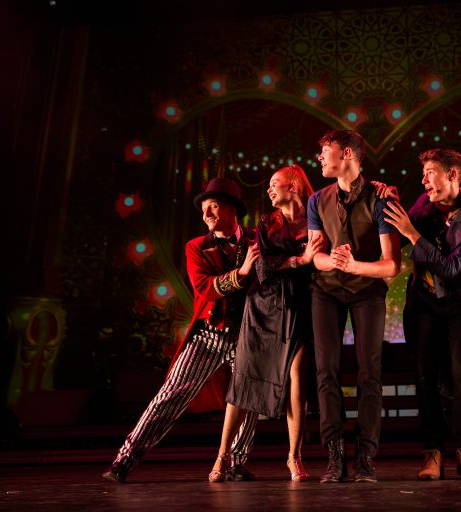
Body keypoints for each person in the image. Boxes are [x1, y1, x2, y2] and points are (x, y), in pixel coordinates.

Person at [102, 177, 260, 484]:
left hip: (247, 334)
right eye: (204, 209)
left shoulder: (257, 241)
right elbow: (205, 288)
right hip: (209, 334)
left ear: (232, 209)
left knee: (249, 398)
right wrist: (241, 273)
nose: (207, 214)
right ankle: (125, 459)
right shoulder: (196, 247)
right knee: (172, 393)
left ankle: (236, 462)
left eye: (214, 206)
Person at [209, 165, 324, 482]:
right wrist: (299, 260)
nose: (270, 189)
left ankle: (294, 456)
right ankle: (222, 455)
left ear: (294, 186)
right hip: (263, 307)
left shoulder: (317, 218)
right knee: (244, 378)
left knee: (297, 376)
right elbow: (262, 268)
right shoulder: (267, 223)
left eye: (276, 183)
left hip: (299, 306)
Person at [383, 148, 461, 480]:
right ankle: (432, 452)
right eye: (424, 175)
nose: (424, 181)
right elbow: (394, 231)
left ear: (452, 175)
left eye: (430, 173)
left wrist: (412, 233)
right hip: (424, 301)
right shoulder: (424, 205)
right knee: (425, 376)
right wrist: (382, 197)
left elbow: (452, 267)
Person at [307, 129, 401, 483]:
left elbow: (392, 265)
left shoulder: (380, 199)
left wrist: (354, 265)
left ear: (346, 154)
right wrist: (332, 260)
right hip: (326, 290)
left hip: (366, 290)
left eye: (325, 150)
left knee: (369, 372)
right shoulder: (317, 200)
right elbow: (315, 256)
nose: (320, 157)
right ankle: (335, 456)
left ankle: (365, 457)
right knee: (326, 370)